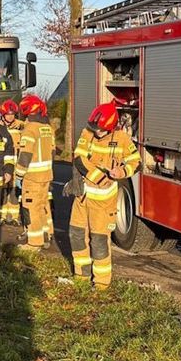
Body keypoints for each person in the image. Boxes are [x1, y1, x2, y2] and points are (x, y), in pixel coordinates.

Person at [69, 102, 138, 290]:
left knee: (99, 241)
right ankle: (81, 275)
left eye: (101, 129)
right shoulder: (87, 133)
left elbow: (136, 162)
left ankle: (101, 282)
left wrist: (122, 172)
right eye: (95, 128)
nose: (96, 132)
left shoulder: (122, 138)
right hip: (82, 198)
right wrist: (98, 177)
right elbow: (79, 158)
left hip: (103, 202)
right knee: (76, 235)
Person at [14, 94, 55, 250]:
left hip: (32, 177)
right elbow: (52, 152)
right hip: (46, 175)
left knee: (31, 209)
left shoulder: (30, 130)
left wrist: (18, 174)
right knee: (43, 206)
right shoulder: (47, 129)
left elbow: (25, 155)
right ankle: (46, 235)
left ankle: (34, 243)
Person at [0, 100, 23, 224]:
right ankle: (2, 215)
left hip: (16, 163)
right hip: (2, 163)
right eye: (7, 114)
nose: (10, 117)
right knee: (3, 190)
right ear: (3, 115)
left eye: (12, 114)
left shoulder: (21, 126)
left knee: (14, 190)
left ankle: (14, 216)